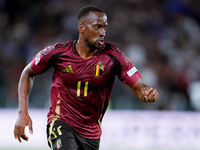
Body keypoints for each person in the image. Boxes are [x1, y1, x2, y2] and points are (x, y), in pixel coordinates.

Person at [14, 5, 159, 150]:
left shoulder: (114, 56)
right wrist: (22, 112)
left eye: (104, 28)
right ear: (81, 28)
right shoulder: (57, 53)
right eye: (97, 27)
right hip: (61, 122)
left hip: (91, 134)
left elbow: (139, 88)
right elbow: (27, 73)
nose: (102, 33)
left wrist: (147, 94)